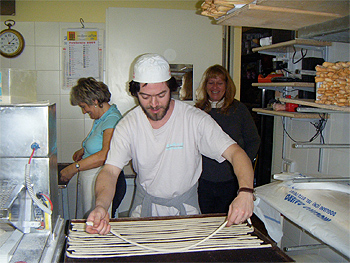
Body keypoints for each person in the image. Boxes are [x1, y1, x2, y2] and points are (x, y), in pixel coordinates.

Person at [86, 54, 255, 235]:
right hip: (145, 209)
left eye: (161, 95)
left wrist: (245, 191)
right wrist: (101, 206)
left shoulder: (193, 119)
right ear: (136, 93)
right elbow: (110, 171)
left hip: (186, 211)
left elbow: (236, 153)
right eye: (145, 96)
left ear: (171, 89)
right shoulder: (129, 125)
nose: (154, 104)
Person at [195, 65, 260, 214]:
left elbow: (253, 140)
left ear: (226, 85)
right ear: (205, 86)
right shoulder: (197, 111)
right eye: (211, 82)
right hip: (203, 181)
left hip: (231, 180)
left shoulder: (239, 110)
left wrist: (242, 163)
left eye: (219, 83)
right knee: (204, 223)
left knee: (229, 223)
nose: (215, 87)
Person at [59, 77, 126, 219]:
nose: (84, 111)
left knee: (98, 224)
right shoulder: (101, 119)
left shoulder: (112, 119)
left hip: (105, 183)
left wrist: (73, 168)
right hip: (93, 179)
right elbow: (99, 143)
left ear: (95, 101)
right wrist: (84, 150)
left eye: (84, 106)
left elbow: (105, 155)